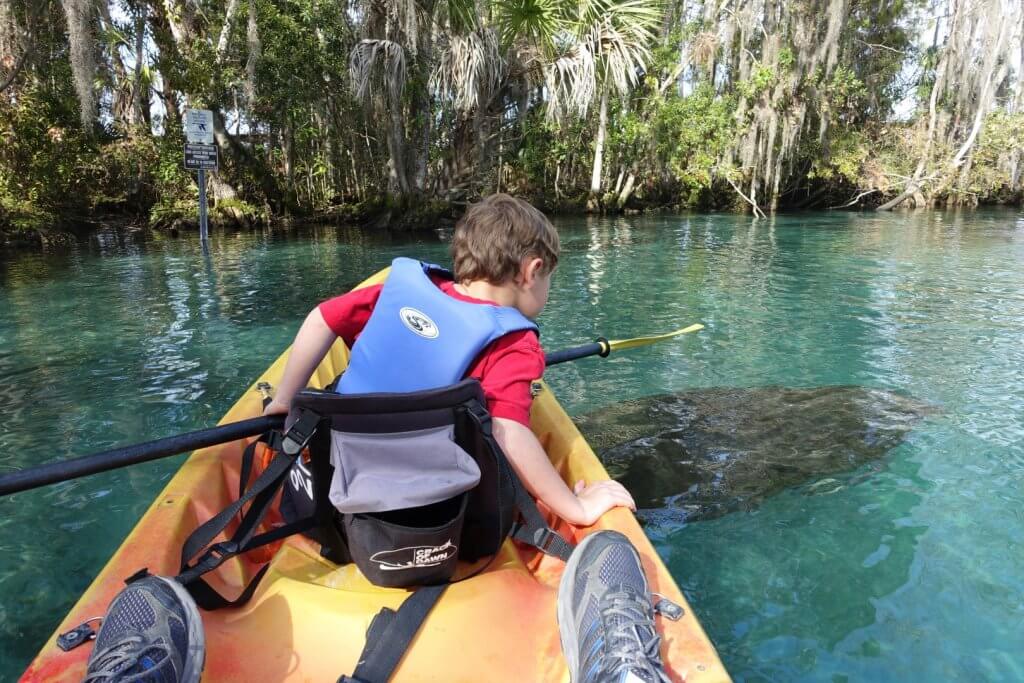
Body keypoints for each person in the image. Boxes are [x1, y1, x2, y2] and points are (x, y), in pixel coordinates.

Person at [83, 194, 667, 682]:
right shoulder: (514, 344)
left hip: (339, 511)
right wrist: (576, 504)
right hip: (451, 528)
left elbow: (321, 318)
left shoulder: (395, 287)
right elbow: (512, 431)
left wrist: (286, 400)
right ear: (532, 270)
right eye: (549, 283)